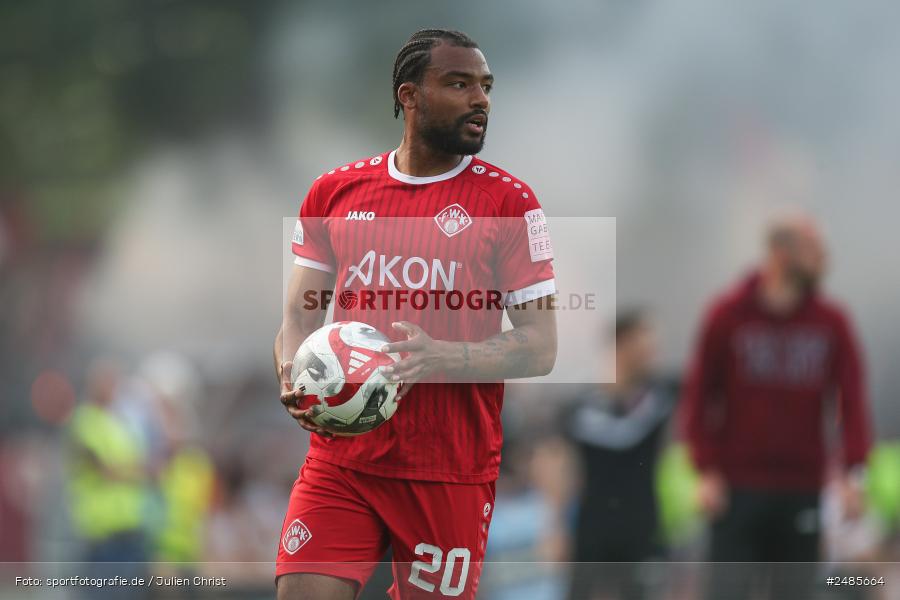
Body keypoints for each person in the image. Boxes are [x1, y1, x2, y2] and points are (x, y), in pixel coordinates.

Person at [272, 29, 558, 600]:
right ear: (410, 96)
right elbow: (301, 320)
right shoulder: (335, 192)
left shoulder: (510, 204)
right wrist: (291, 371)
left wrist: (440, 357)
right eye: (459, 84)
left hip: (447, 469)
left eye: (486, 87)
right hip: (343, 462)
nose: (480, 99)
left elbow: (540, 345)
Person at [680, 212, 873, 600]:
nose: (823, 259)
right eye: (813, 250)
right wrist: (706, 469)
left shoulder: (831, 322)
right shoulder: (728, 315)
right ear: (780, 253)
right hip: (736, 488)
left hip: (801, 486)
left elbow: (851, 400)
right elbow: (699, 395)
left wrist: (853, 471)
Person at [561, 310, 676, 600]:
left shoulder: (661, 399)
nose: (654, 352)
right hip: (592, 529)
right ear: (622, 344)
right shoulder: (581, 410)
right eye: (646, 343)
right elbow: (562, 469)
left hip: (642, 528)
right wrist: (556, 524)